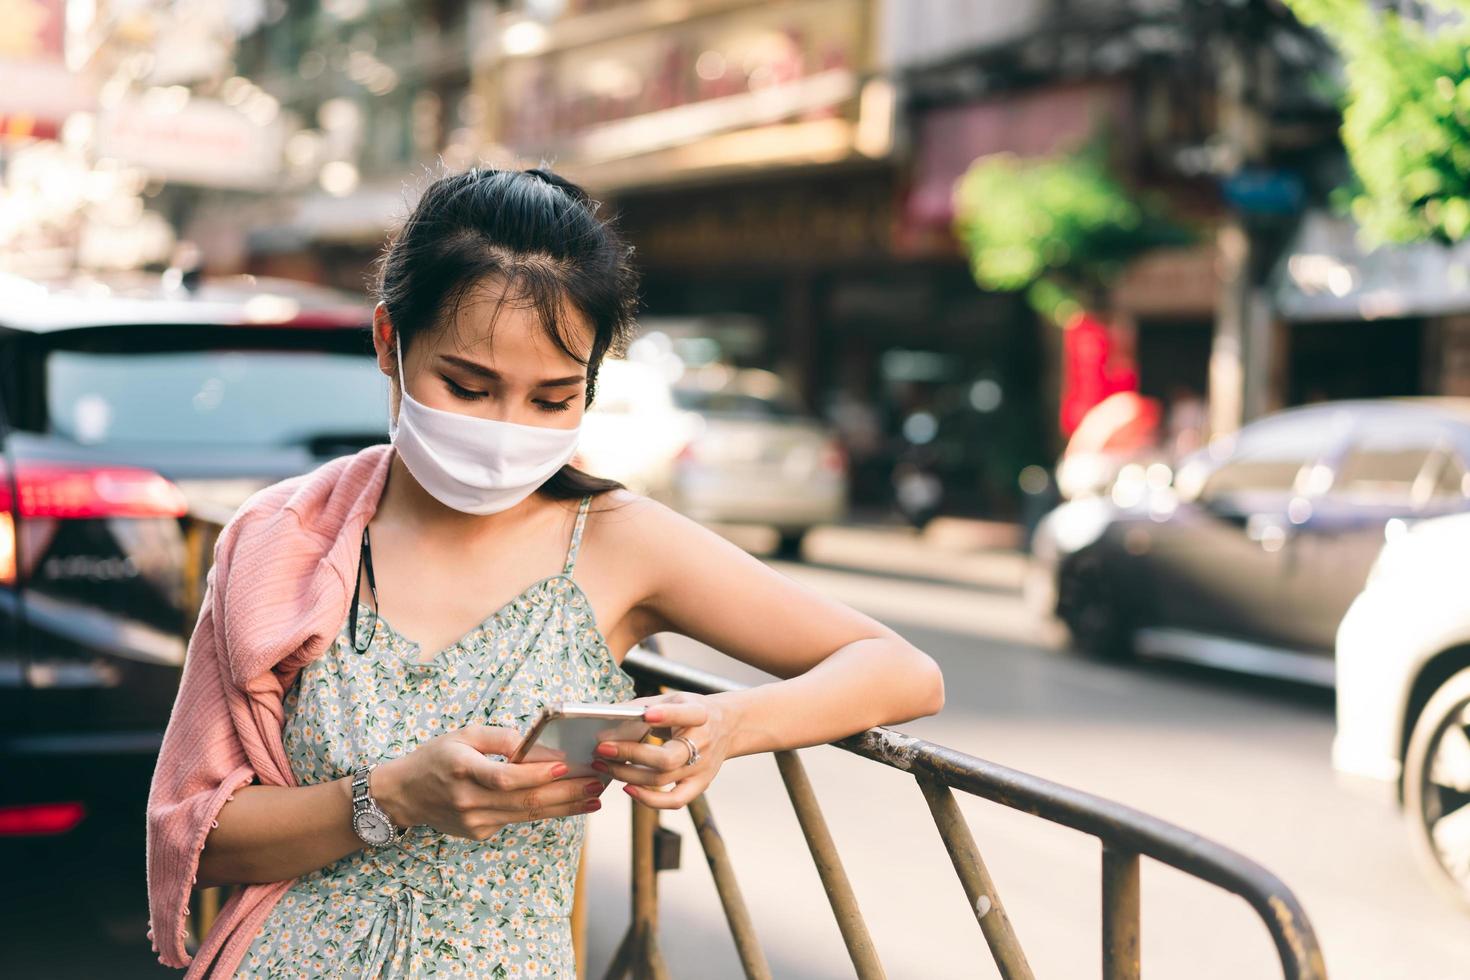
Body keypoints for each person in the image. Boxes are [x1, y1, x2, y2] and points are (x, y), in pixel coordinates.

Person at [144, 166, 946, 979]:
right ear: (389, 342)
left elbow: (901, 671)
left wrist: (731, 727)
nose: (505, 430)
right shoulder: (283, 536)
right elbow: (195, 838)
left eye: (553, 399)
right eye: (468, 386)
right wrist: (390, 798)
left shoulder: (621, 541)